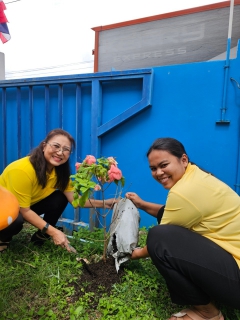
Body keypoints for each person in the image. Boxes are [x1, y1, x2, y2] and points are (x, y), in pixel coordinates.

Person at [126, 137, 240, 320]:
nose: (158, 173)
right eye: (153, 169)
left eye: (164, 165)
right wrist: (141, 204)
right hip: (233, 262)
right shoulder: (196, 176)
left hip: (237, 279)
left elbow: (162, 241)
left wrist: (134, 254)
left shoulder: (184, 192)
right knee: (165, 233)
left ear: (184, 160)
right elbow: (171, 213)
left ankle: (207, 314)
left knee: (158, 238)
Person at [0, 128, 115, 253]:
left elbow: (75, 200)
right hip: (5, 208)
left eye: (66, 150)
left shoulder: (59, 172)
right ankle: (3, 239)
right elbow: (24, 210)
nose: (60, 152)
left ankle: (40, 238)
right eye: (56, 146)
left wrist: (106, 203)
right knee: (16, 220)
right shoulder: (22, 170)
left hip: (23, 206)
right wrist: (54, 232)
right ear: (44, 146)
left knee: (60, 198)